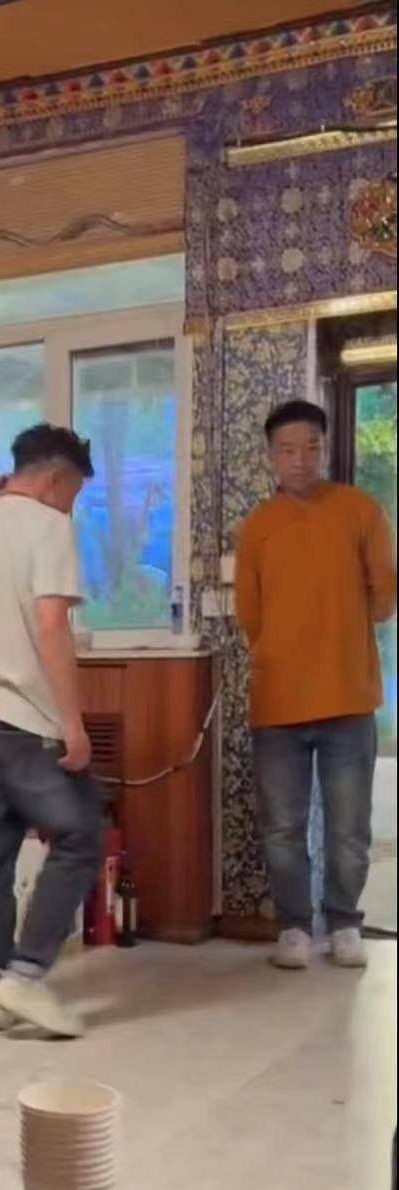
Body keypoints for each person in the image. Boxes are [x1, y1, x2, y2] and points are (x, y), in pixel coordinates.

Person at [0, 424, 103, 1039]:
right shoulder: (50, 527)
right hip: (29, 720)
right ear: (56, 478)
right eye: (74, 492)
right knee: (82, 835)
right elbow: (52, 626)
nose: (71, 506)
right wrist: (73, 723)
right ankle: (25, 975)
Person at [235, 399, 396, 970]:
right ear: (270, 456)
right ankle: (295, 928)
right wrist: (285, 648)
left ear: (323, 449)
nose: (299, 460)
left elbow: (384, 596)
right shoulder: (258, 526)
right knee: (282, 828)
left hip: (348, 698)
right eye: (286, 450)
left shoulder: (361, 510)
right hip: (277, 703)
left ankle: (345, 923)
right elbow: (250, 613)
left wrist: (339, 628)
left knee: (349, 827)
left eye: (310, 447)